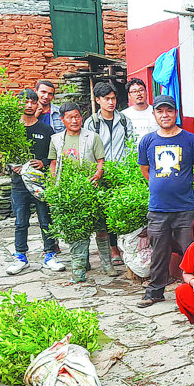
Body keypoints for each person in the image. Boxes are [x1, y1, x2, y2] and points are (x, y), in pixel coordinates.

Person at [136, 95, 194, 307]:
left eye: (169, 111)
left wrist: (182, 182)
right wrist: (161, 185)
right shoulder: (148, 141)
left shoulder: (190, 140)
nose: (165, 115)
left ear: (176, 113)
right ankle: (155, 291)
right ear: (154, 114)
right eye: (160, 111)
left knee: (191, 250)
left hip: (185, 208)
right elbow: (145, 170)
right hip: (158, 209)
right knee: (159, 251)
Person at [48, 102, 115, 282]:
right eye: (70, 117)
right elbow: (53, 164)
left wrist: (98, 172)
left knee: (101, 227)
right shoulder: (56, 139)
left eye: (77, 116)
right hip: (70, 192)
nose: (74, 120)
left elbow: (101, 160)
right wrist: (54, 185)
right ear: (62, 120)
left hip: (92, 188)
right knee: (77, 230)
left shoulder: (92, 137)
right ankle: (79, 266)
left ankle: (106, 263)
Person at [6, 89, 64, 275]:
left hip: (41, 183)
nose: (29, 105)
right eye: (26, 102)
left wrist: (43, 163)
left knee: (45, 219)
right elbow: (4, 155)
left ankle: (50, 255)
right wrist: (12, 166)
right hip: (19, 184)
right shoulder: (11, 130)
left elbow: (55, 155)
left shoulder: (46, 130)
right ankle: (20, 256)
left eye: (33, 102)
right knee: (20, 221)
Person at [84, 81, 133, 266]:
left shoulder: (123, 120)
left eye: (113, 98)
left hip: (120, 172)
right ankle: (111, 248)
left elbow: (130, 144)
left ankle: (121, 246)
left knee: (119, 211)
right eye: (106, 99)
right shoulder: (92, 123)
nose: (111, 102)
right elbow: (88, 150)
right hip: (100, 173)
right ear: (98, 100)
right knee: (103, 213)